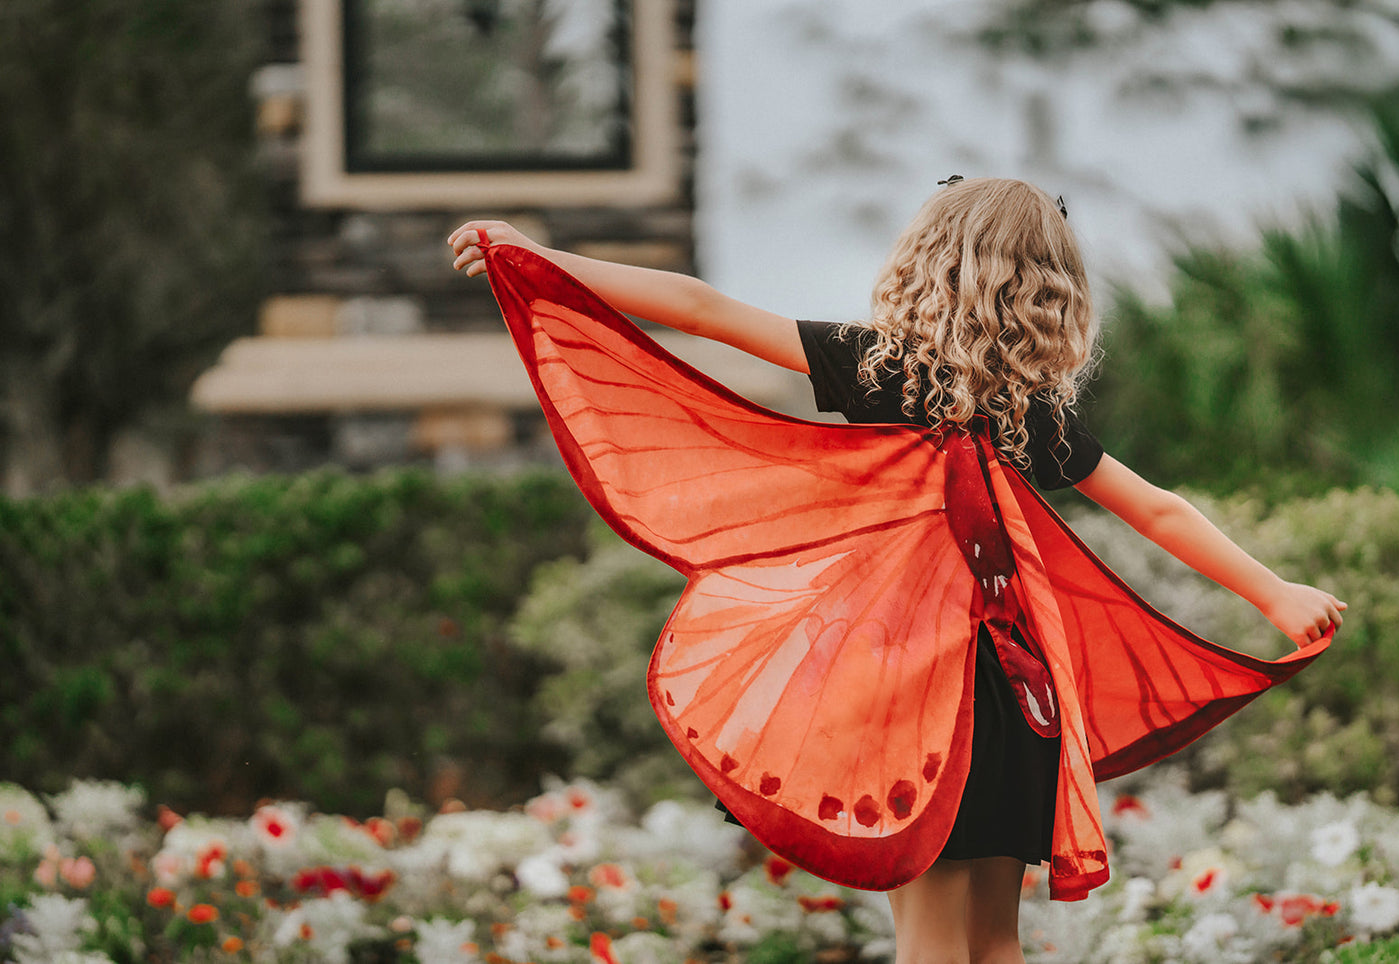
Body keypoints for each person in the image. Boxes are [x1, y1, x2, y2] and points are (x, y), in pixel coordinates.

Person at [448, 177, 1346, 964]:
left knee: (925, 942)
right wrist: (1273, 592)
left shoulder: (882, 368)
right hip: (1021, 699)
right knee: (996, 941)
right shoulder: (1030, 415)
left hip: (914, 709)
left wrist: (543, 260)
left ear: (928, 260)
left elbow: (701, 308)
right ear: (1052, 288)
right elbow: (1156, 505)